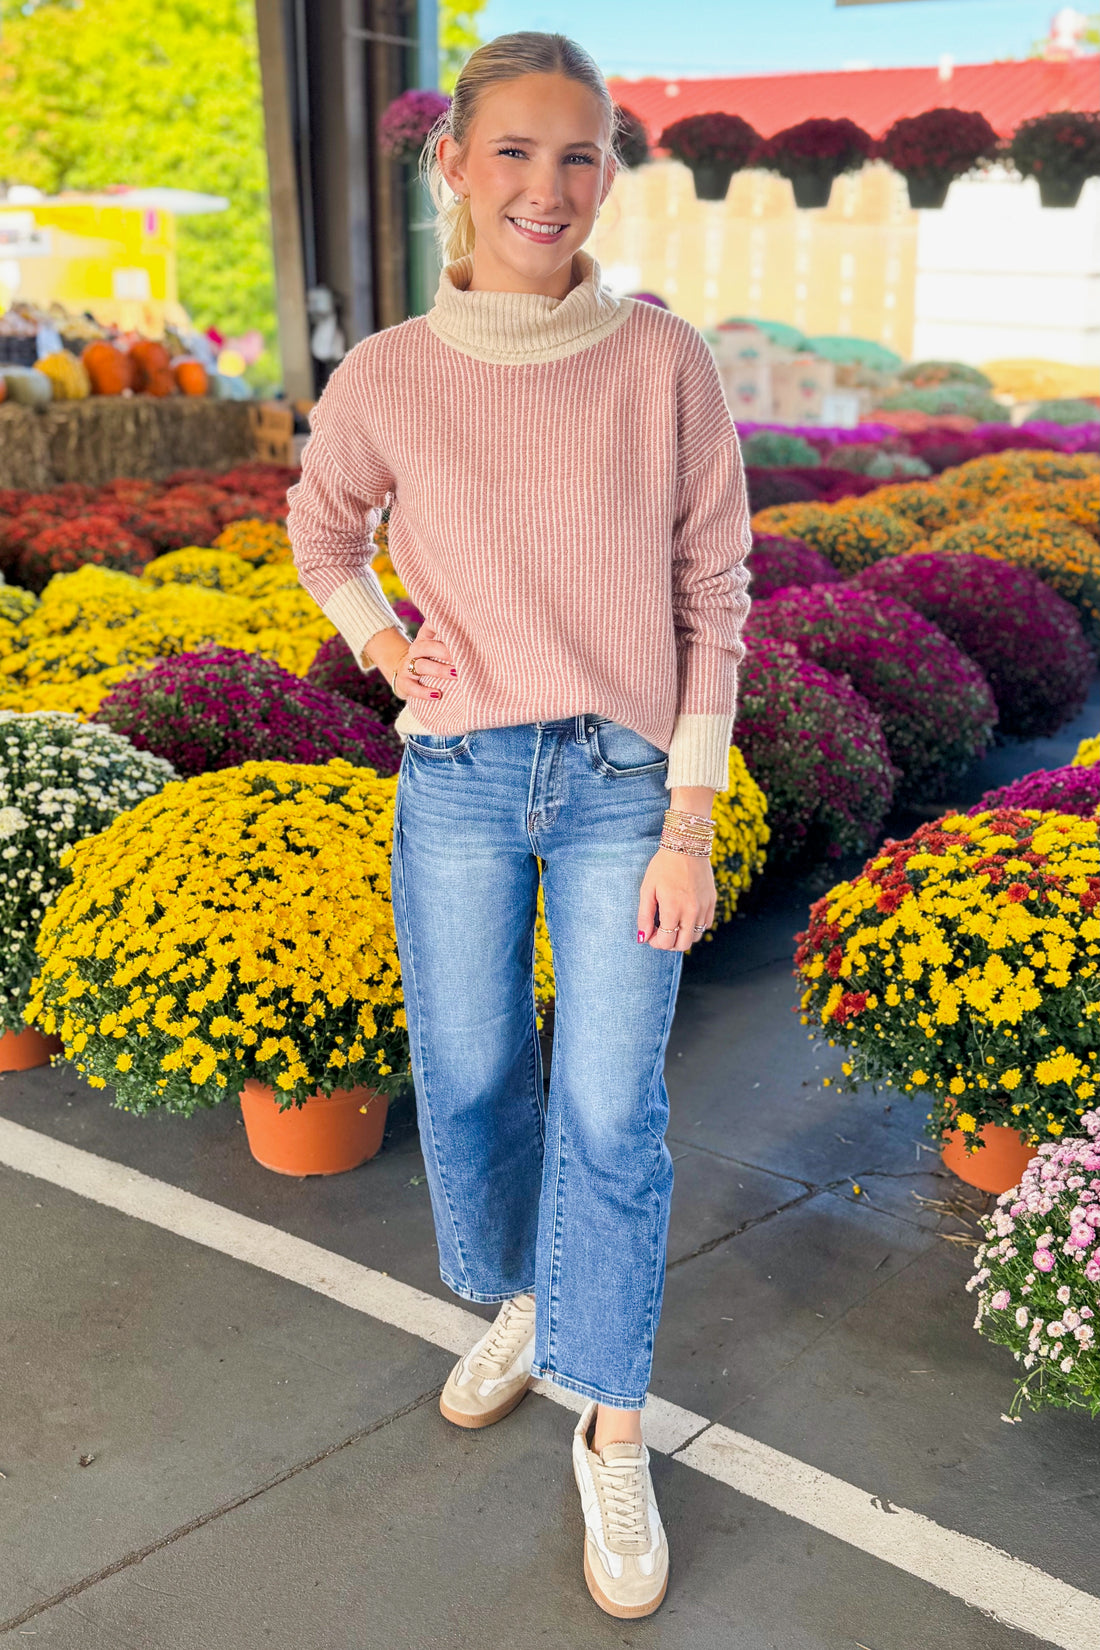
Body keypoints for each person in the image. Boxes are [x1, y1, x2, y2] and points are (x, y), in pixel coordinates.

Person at [286, 29, 752, 1621]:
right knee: (472, 1076)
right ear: (453, 168)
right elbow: (320, 516)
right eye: (515, 153)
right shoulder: (391, 376)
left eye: (579, 156)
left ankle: (611, 1419)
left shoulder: (662, 361)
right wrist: (376, 634)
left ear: (607, 174)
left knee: (614, 1112)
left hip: (629, 788)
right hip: (463, 782)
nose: (547, 187)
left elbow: (713, 596)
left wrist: (689, 817)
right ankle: (529, 1300)